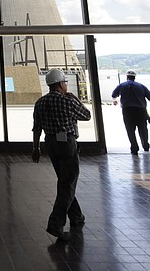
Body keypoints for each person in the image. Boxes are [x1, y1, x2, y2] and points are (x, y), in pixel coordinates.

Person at [31, 68, 92, 242]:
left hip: (51, 144)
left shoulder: (40, 102)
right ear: (60, 84)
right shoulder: (67, 101)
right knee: (68, 182)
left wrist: (36, 148)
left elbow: (37, 128)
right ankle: (55, 224)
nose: (66, 85)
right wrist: (76, 100)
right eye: (65, 82)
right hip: (67, 145)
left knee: (65, 180)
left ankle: (76, 216)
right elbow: (86, 116)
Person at [111, 70, 150, 154]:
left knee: (130, 129)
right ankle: (145, 145)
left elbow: (114, 95)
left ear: (127, 77)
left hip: (127, 110)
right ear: (134, 77)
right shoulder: (141, 86)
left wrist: (115, 101)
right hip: (141, 110)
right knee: (143, 128)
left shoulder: (122, 85)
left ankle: (134, 147)